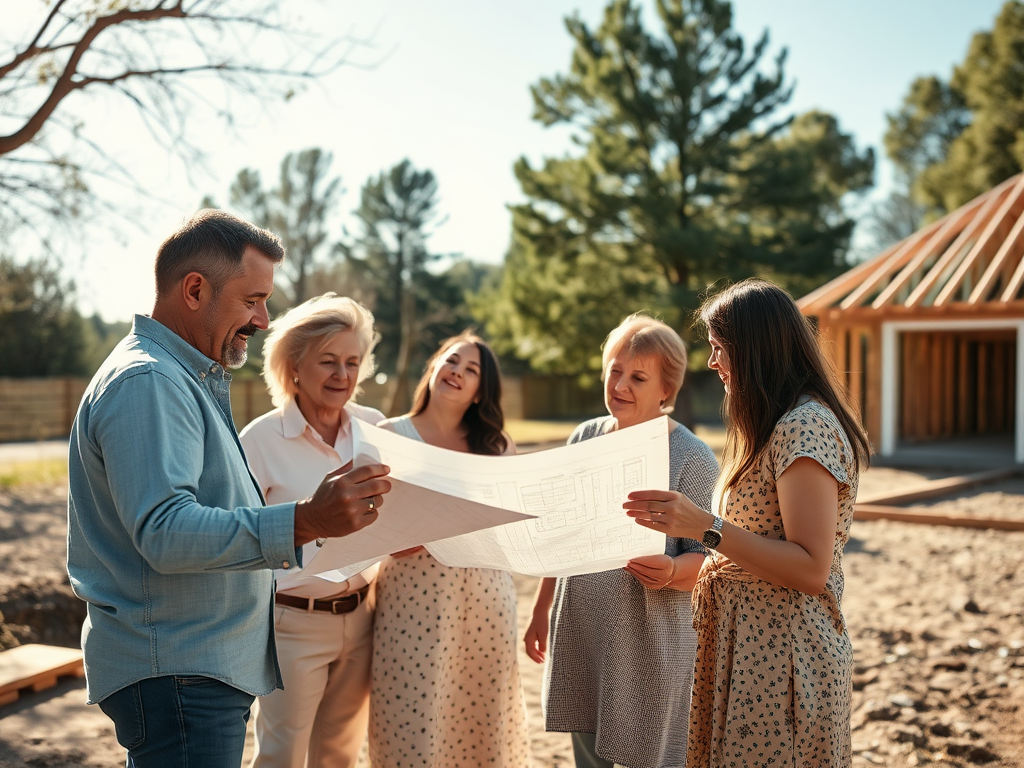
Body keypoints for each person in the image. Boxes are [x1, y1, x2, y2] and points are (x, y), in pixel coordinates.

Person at [66, 210, 391, 768]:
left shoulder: (177, 377)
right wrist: (306, 520)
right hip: (180, 675)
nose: (264, 319)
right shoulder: (150, 381)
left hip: (192, 672)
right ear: (195, 289)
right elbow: (165, 532)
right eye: (251, 300)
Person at [624, 278, 871, 767]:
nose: (712, 362)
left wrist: (705, 528)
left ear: (754, 348)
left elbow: (810, 568)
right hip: (747, 654)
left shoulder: (805, 425)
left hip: (786, 661)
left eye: (719, 349)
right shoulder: (772, 423)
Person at [524, 313, 719, 768]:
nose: (620, 385)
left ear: (666, 390)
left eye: (638, 376)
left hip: (647, 643)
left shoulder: (691, 457)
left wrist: (672, 572)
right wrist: (540, 608)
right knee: (588, 759)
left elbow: (709, 563)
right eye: (615, 370)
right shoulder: (584, 437)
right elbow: (561, 532)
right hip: (581, 633)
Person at [368, 332, 532, 768]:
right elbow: (383, 538)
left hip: (486, 604)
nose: (457, 371)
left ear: (482, 392)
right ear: (435, 367)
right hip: (412, 607)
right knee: (411, 729)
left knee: (481, 730)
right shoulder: (389, 436)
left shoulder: (497, 446)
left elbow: (511, 535)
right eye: (451, 360)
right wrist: (451, 517)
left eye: (472, 369)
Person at [239, 294, 385, 768]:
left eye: (352, 362)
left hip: (364, 618)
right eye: (328, 361)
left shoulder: (377, 429)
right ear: (294, 366)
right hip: (291, 623)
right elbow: (239, 536)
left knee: (341, 754)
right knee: (282, 754)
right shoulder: (259, 440)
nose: (342, 375)